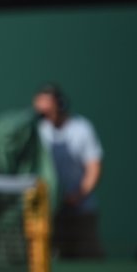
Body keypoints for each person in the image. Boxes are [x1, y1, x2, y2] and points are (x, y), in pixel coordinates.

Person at [32, 83, 105, 259]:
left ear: (61, 105)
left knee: (87, 260)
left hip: (80, 210)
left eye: (48, 109)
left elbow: (93, 166)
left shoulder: (82, 129)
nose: (44, 115)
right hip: (50, 212)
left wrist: (78, 195)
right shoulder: (37, 130)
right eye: (40, 111)